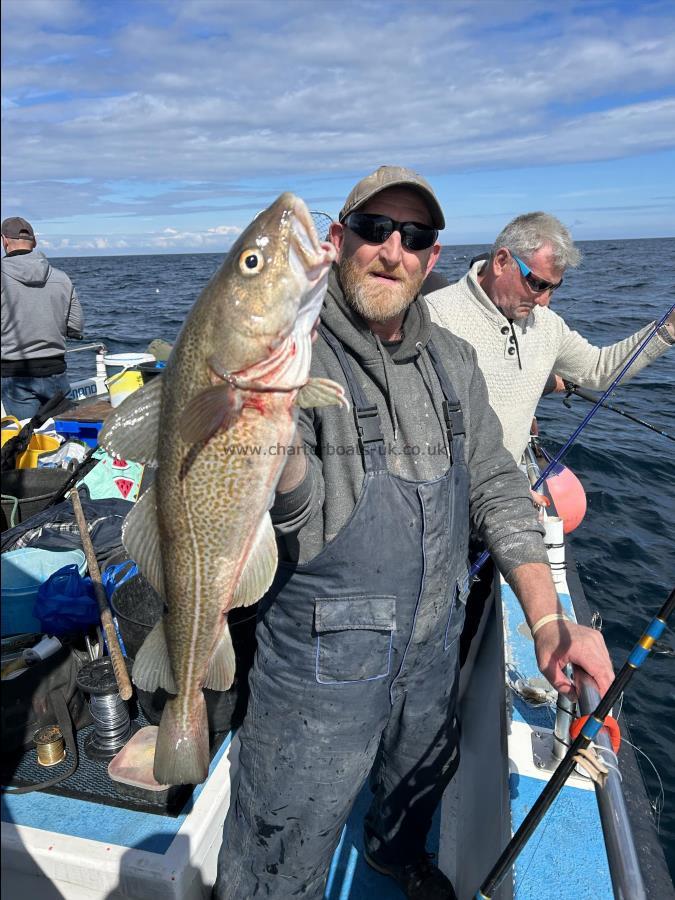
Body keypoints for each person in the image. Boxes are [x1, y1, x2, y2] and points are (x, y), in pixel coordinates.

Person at [213, 167, 614, 900]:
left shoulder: (452, 361)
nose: (391, 250)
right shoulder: (290, 355)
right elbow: (297, 520)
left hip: (432, 647)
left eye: (415, 236)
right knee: (279, 845)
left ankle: (394, 855)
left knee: (416, 786)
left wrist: (548, 617)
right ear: (337, 242)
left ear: (433, 257)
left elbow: (495, 484)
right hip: (318, 669)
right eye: (373, 229)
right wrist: (275, 454)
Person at [426, 212, 674, 464]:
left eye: (554, 288)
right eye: (537, 284)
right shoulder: (433, 316)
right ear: (501, 261)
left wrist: (669, 329)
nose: (544, 301)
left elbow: (599, 370)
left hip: (507, 484)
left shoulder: (547, 323)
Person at [1, 216, 84, 419]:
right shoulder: (61, 278)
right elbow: (76, 326)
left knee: (26, 441)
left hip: (15, 376)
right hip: (56, 372)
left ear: (4, 240)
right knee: (60, 438)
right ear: (34, 241)